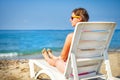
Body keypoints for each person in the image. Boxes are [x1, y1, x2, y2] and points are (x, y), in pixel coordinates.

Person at [42, 7, 89, 73]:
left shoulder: (71, 36)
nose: (70, 20)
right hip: (89, 70)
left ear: (79, 18)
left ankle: (47, 58)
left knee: (58, 62)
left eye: (72, 18)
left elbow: (63, 58)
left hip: (75, 72)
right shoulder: (92, 35)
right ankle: (52, 56)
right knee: (66, 58)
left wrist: (60, 59)